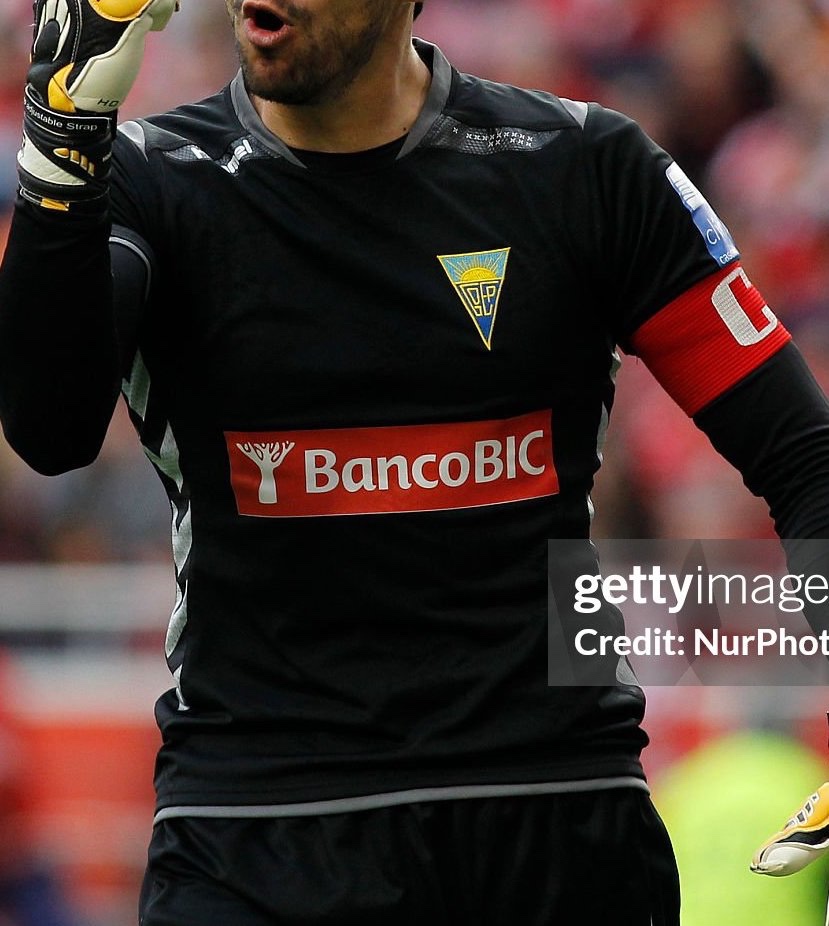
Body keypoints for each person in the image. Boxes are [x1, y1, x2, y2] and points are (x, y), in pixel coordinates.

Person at [1, 1, 829, 923]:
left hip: (554, 819)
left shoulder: (585, 166)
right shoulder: (149, 179)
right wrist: (62, 150)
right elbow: (49, 430)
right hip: (259, 830)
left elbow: (802, 454)